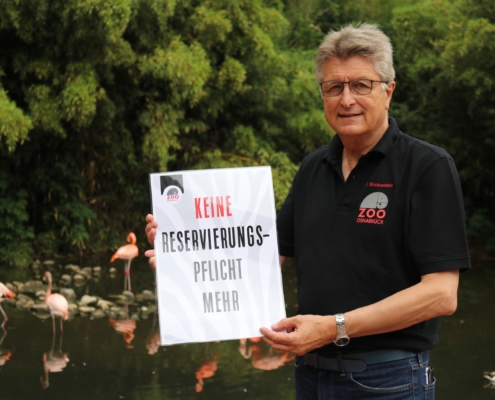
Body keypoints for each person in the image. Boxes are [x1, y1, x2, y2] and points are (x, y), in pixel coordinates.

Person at [145, 23, 471, 399]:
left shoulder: (427, 167)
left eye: (360, 85)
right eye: (333, 87)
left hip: (388, 380)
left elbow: (441, 295)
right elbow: (263, 259)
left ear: (388, 91)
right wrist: (183, 259)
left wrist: (334, 328)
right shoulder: (313, 167)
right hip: (311, 375)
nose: (346, 99)